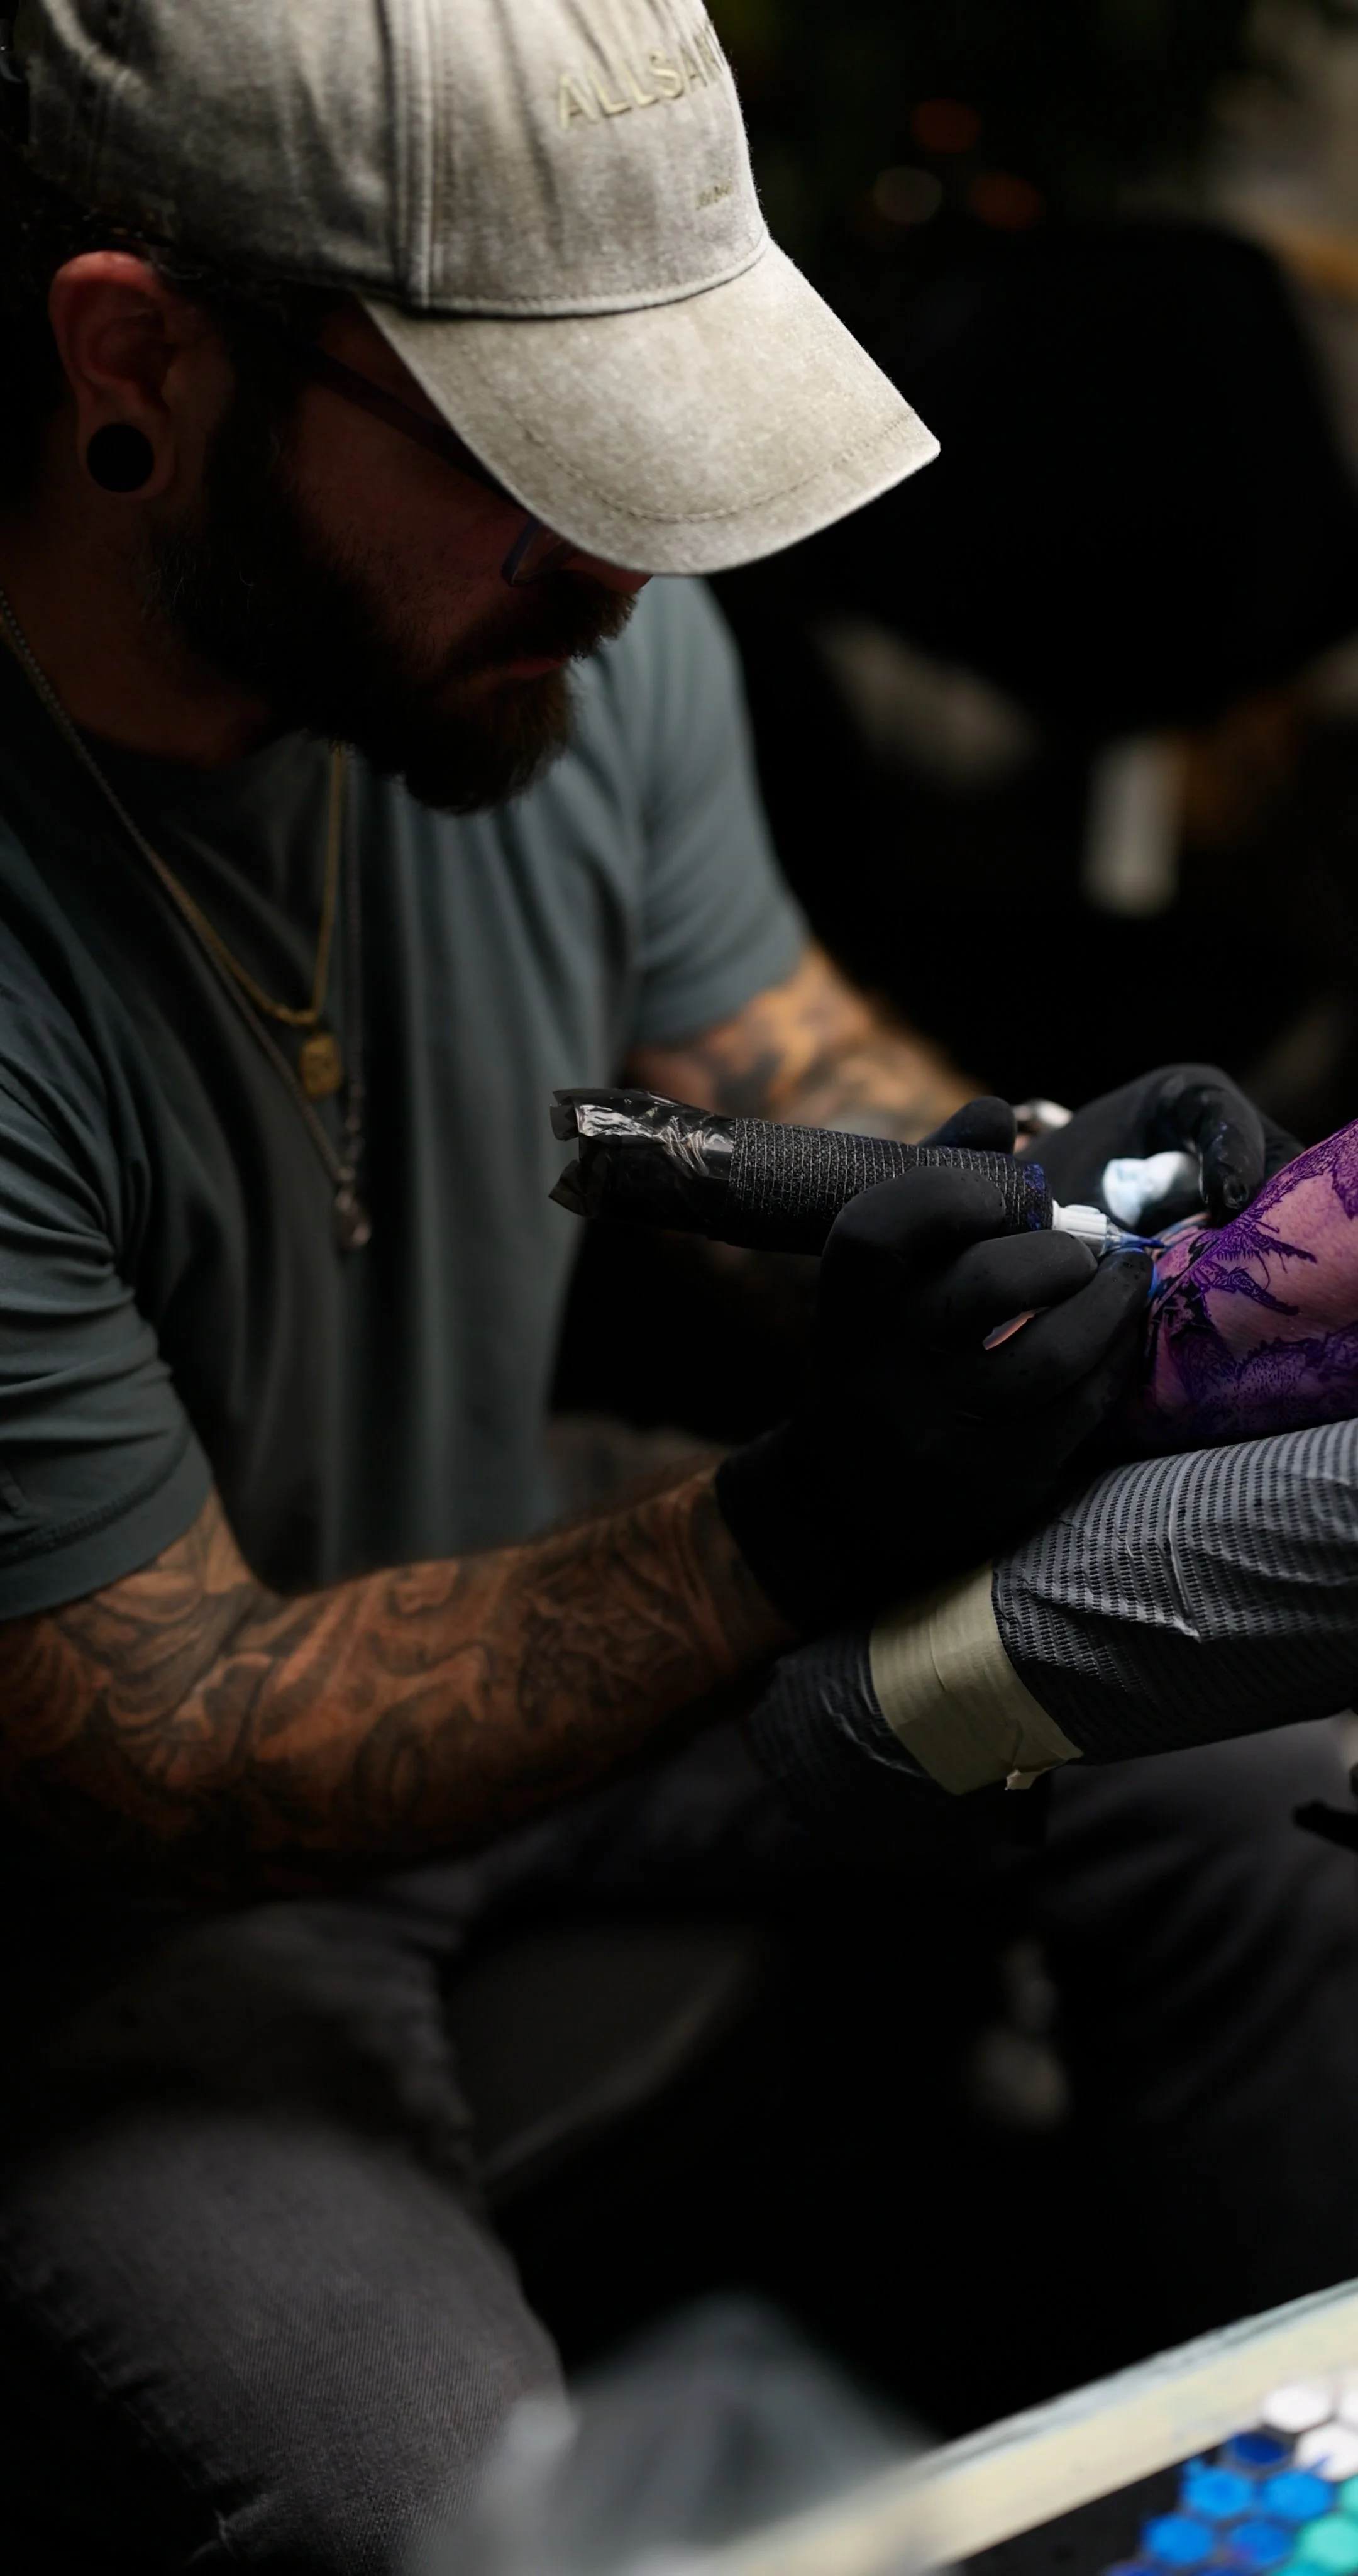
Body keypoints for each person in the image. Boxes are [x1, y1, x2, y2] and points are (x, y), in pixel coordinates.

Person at [0, 4, 1355, 2569]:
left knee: (1239, 1760)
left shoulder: (532, 645)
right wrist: (804, 1522)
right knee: (441, 2508)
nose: (620, 565)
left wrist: (1053, 1207)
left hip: (483, 1516)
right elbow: (166, 1742)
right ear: (136, 357)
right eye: (534, 459)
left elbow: (782, 1067)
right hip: (103, 1894)